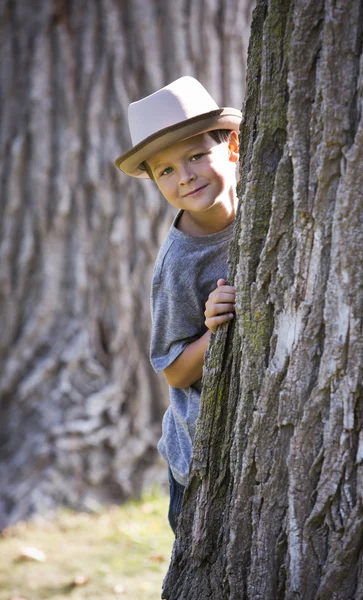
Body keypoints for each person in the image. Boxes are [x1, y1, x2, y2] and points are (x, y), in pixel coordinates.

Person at [115, 76, 241, 534]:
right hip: (201, 454)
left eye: (195, 155)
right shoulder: (179, 265)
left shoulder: (264, 202)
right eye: (165, 170)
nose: (184, 176)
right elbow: (172, 370)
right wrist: (216, 330)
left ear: (232, 146)